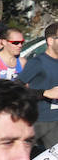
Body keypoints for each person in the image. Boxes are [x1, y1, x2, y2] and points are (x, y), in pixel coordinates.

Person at [18, 22, 58, 151]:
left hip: (55, 123)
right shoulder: (37, 62)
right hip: (36, 121)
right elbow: (16, 89)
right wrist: (44, 93)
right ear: (50, 41)